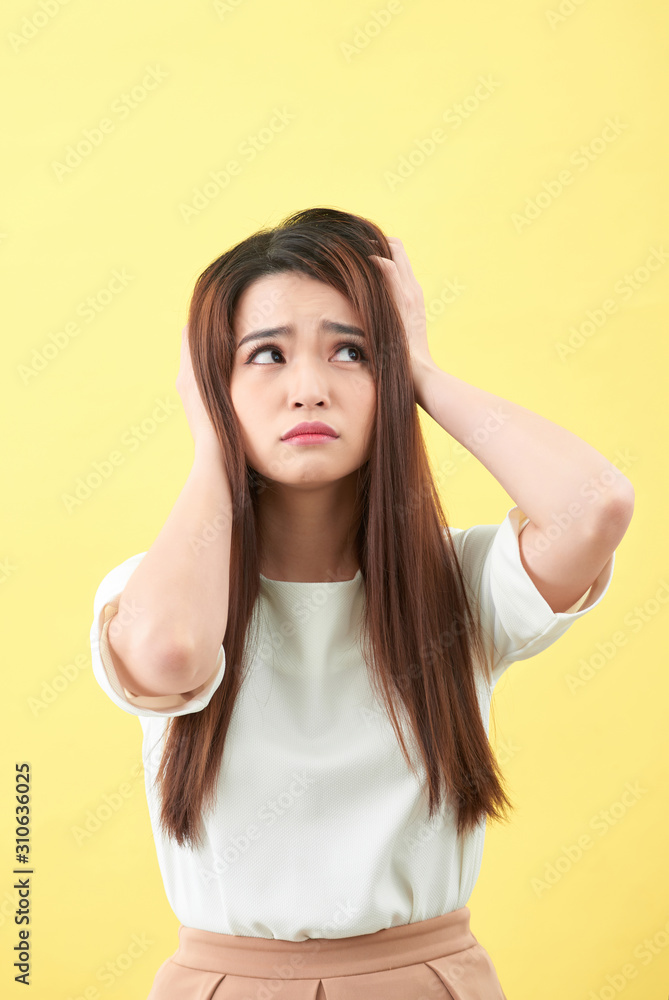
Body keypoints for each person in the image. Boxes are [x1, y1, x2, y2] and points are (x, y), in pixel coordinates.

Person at [89, 207, 633, 999]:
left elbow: (594, 506)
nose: (308, 389)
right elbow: (172, 652)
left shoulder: (459, 583)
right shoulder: (152, 591)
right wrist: (211, 441)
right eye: (265, 356)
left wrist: (422, 371)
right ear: (215, 386)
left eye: (351, 351)